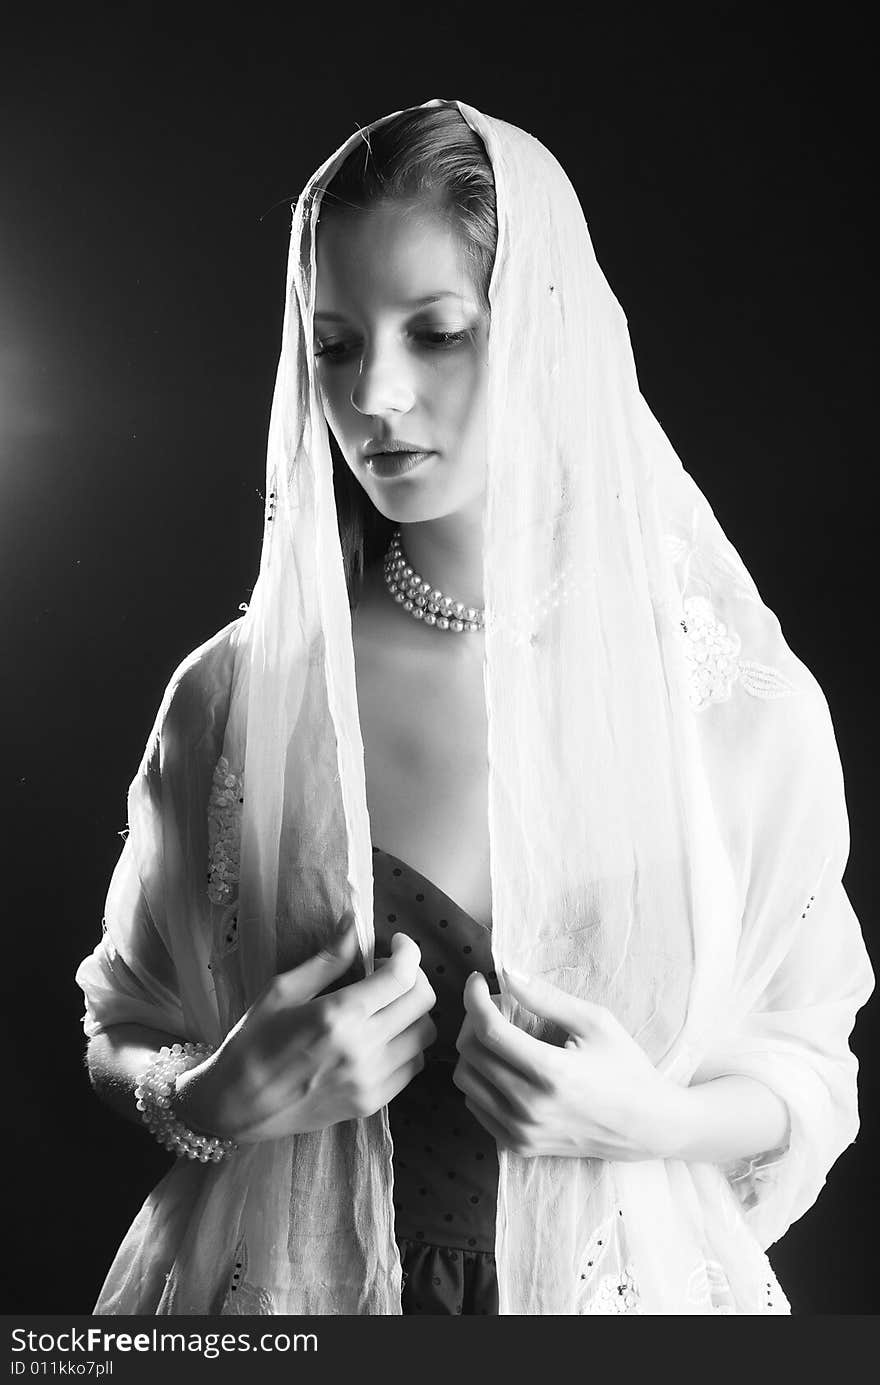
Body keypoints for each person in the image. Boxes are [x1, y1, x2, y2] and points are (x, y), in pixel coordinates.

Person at [76, 98, 874, 1316]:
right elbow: (120, 1019)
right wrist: (207, 1097)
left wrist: (647, 1117)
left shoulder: (726, 702)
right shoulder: (238, 696)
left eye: (437, 331)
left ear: (546, 333)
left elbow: (810, 1063)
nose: (377, 395)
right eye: (335, 345)